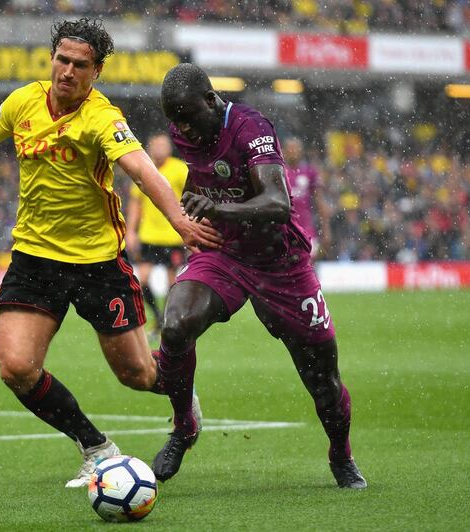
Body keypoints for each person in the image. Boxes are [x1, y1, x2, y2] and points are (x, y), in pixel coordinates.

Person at [0, 20, 221, 488]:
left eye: (80, 65)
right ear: (52, 58)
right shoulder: (21, 102)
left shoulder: (102, 118)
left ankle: (180, 388)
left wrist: (178, 220)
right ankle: (96, 448)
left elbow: (141, 169)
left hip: (98, 263)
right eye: (62, 60)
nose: (68, 72)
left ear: (97, 71)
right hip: (33, 258)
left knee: (135, 374)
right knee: (15, 368)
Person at [150, 63, 366, 489]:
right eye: (176, 121)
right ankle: (183, 427)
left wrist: (217, 209)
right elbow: (203, 173)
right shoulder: (184, 129)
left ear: (211, 101)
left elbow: (278, 203)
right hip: (225, 254)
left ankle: (341, 453)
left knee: (321, 378)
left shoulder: (251, 128)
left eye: (190, 117)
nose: (185, 130)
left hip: (280, 263)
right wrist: (198, 216)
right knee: (175, 325)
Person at [125, 133, 188, 340]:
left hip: (173, 236)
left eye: (163, 145)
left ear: (169, 148)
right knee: (140, 281)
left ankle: (170, 324)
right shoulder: (144, 168)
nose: (160, 149)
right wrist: (131, 231)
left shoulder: (179, 169)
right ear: (149, 147)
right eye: (156, 145)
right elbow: (136, 203)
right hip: (149, 236)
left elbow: (191, 196)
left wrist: (189, 225)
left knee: (173, 282)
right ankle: (159, 318)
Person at [283, 137, 332, 259]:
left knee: (307, 265)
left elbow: (320, 202)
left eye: (296, 148)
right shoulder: (280, 172)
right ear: (283, 151)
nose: (293, 151)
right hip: (284, 230)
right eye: (290, 149)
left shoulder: (310, 172)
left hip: (306, 229)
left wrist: (326, 230)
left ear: (301, 151)